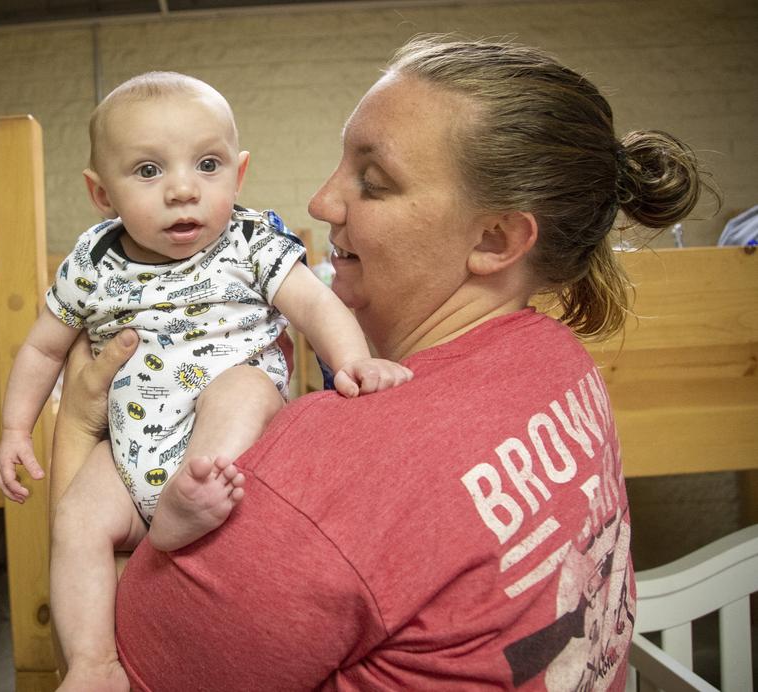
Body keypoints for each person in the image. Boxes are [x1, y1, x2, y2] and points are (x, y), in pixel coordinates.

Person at [50, 36, 714, 691]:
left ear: (496, 238)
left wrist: (78, 427)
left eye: (372, 181)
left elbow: (120, 665)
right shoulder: (555, 358)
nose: (320, 202)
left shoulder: (317, 482)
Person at [0, 71, 411, 688]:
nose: (183, 190)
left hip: (222, 434)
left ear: (239, 175)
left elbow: (317, 307)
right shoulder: (91, 262)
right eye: (147, 171)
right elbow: (40, 348)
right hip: (129, 446)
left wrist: (353, 360)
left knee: (244, 386)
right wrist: (14, 426)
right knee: (77, 520)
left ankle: (187, 504)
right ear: (100, 193)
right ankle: (93, 662)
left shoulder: (249, 242)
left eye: (207, 164)